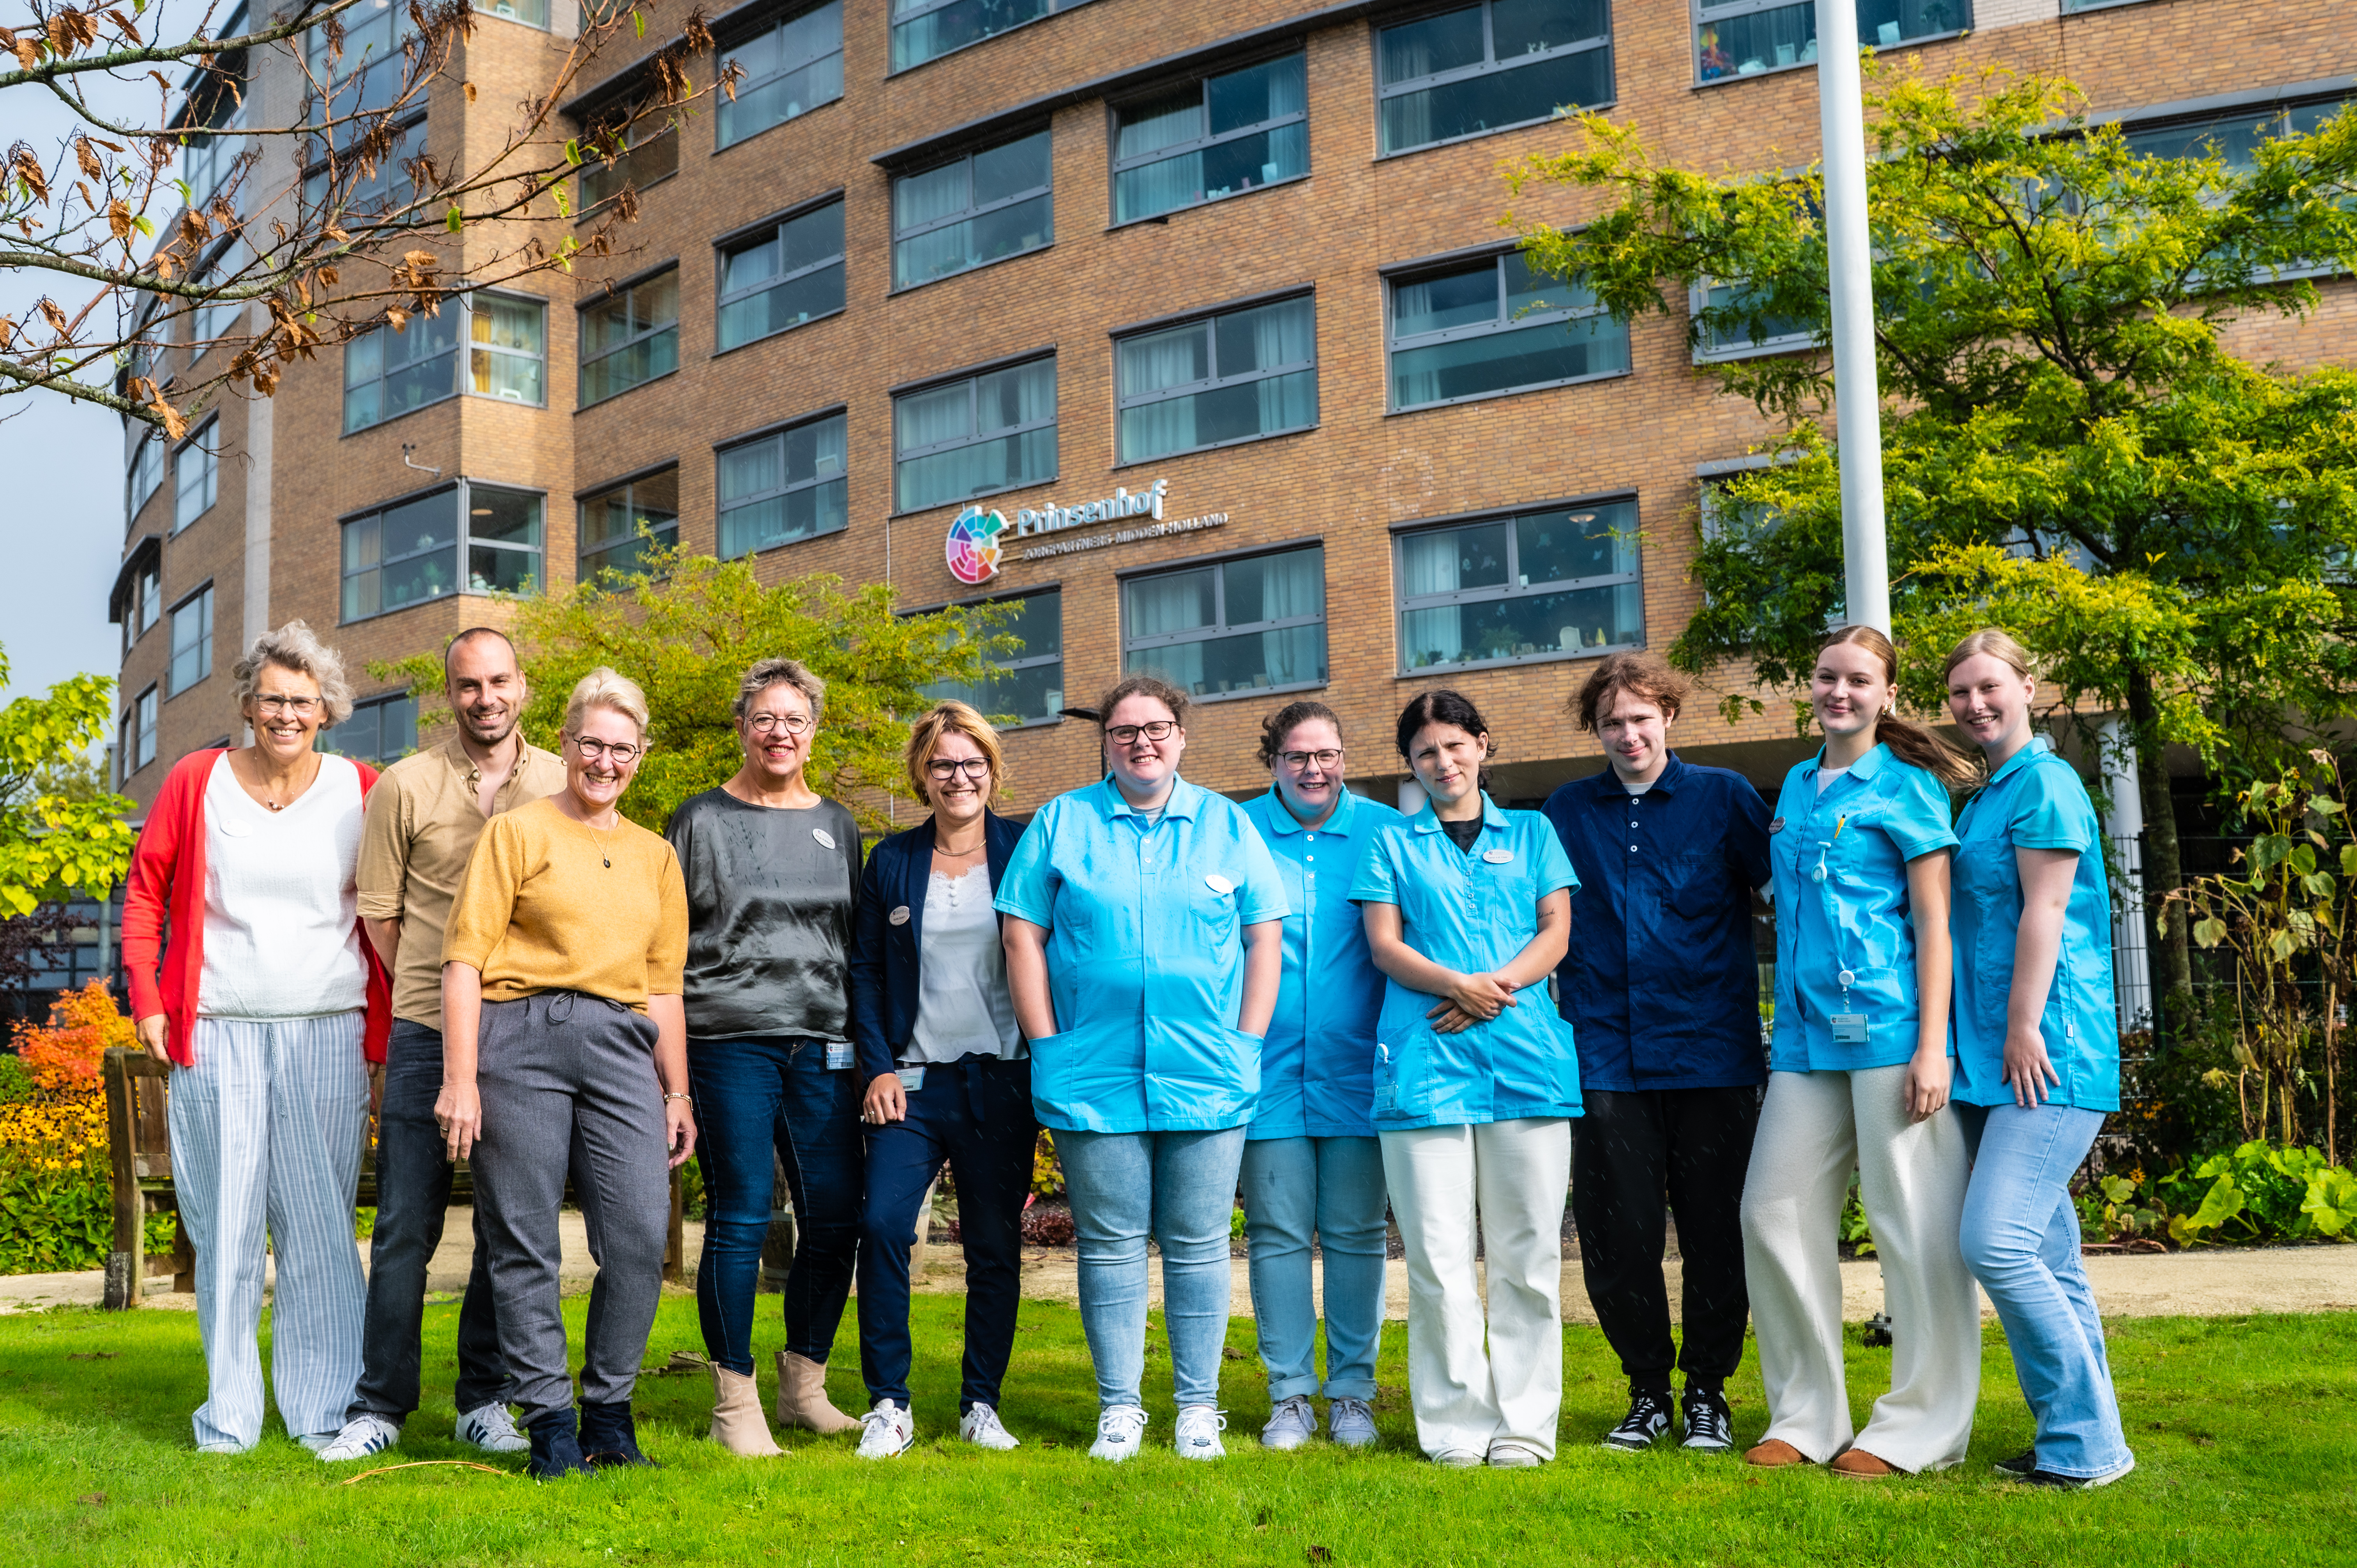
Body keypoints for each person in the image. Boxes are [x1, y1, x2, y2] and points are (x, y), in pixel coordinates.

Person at [996, 675, 1287, 1464]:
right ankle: (1119, 1409)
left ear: (1182, 735)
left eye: (1156, 728)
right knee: (1112, 1243)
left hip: (1209, 1069)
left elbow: (1265, 936)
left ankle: (1198, 1407)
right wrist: (1047, 1042)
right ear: (1107, 743)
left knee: (1198, 1243)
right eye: (1124, 731)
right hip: (1093, 1068)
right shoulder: (1064, 821)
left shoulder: (1227, 824)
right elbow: (1022, 935)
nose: (1141, 742)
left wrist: (1247, 1041)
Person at [122, 621, 393, 1454]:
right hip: (221, 1028)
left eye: (302, 700)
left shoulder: (363, 787)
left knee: (319, 1228)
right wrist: (149, 1001)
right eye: (272, 697)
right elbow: (144, 894)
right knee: (225, 1225)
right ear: (247, 702)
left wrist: (383, 1042)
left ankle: (320, 1409)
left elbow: (388, 917)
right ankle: (230, 1415)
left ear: (328, 709)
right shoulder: (197, 779)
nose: (285, 713)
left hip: (328, 1031)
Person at [318, 627, 567, 1463]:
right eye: (468, 684)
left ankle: (482, 1395)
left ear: (524, 686)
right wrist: (433, 991)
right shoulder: (404, 786)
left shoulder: (563, 781)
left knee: (511, 1223)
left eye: (499, 681)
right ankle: (379, 1402)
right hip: (427, 1028)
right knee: (404, 1226)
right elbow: (379, 911)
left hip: (527, 1026)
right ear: (448, 692)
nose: (485, 697)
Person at [438, 667, 694, 1478]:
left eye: (623, 748)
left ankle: (610, 1416)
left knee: (638, 1232)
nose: (606, 761)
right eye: (592, 743)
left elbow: (664, 984)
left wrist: (677, 1089)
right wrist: (462, 1077)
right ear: (567, 742)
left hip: (624, 1047)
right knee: (524, 1239)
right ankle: (550, 1420)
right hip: (520, 1040)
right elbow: (464, 960)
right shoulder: (516, 832)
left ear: (641, 756)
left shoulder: (657, 855)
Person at [1741, 624, 1980, 1478]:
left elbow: (1935, 925)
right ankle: (1807, 1414)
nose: (1837, 691)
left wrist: (1932, 1049)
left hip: (1892, 1033)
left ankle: (1922, 1425)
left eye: (1857, 680)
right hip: (1805, 1038)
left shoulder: (1910, 787)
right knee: (1770, 1211)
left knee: (1911, 1228)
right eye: (1824, 676)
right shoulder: (1798, 784)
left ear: (1886, 695)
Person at [1541, 652, 1770, 1455]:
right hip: (1605, 1053)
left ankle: (1709, 1390)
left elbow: (1783, 893)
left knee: (1717, 1231)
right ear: (1595, 729)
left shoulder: (1725, 797)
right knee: (1618, 1234)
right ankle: (1647, 1392)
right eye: (1612, 722)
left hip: (1712, 1050)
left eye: (1641, 717)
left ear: (1668, 716)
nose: (1629, 733)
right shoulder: (1567, 812)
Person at [1350, 690, 1580, 1469]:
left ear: (1484, 744)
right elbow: (1385, 945)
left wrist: (1493, 990)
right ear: (1410, 763)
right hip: (1423, 1066)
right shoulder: (1390, 843)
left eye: (1454, 745)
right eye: (1425, 753)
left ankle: (1524, 1426)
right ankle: (1454, 1424)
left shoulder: (1537, 831)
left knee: (1527, 1257)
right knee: (1439, 1258)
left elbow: (1556, 929)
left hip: (1527, 1062)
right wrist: (1459, 984)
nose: (1442, 762)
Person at [1944, 628, 2134, 1489]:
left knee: (1996, 1241)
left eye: (1990, 687)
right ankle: (2082, 1439)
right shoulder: (1986, 794)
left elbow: (2046, 911)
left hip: (2048, 1051)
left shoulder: (2046, 784)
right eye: (1960, 693)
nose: (1976, 704)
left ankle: (2086, 1444)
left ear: (2027, 685)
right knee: (2050, 1256)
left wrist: (2026, 1027)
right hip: (1993, 1055)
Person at [665, 657, 865, 1452]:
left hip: (824, 1042)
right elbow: (666, 944)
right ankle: (734, 1403)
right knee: (742, 1212)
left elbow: (849, 944)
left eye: (795, 719)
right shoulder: (700, 819)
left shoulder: (839, 823)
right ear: (743, 728)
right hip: (727, 1039)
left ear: (813, 731)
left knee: (836, 1214)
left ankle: (803, 1384)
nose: (780, 732)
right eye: (765, 719)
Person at [846, 702, 1034, 1460]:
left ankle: (980, 1403)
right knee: (884, 1227)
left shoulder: (1025, 849)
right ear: (922, 773)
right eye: (943, 763)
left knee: (993, 1244)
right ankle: (889, 1403)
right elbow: (861, 969)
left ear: (991, 768)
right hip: (913, 1084)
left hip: (1003, 1080)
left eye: (972, 761)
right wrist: (878, 1065)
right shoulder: (890, 860)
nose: (959, 776)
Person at [1237, 700, 1399, 1452]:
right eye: (1297, 756)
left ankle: (1354, 1394)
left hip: (1362, 1065)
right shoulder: (1236, 831)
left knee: (1359, 1233)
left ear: (1345, 757)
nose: (1313, 769)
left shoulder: (1384, 830)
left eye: (1327, 755)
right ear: (1272, 761)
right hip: (1263, 1068)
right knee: (1275, 1231)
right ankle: (1291, 1394)